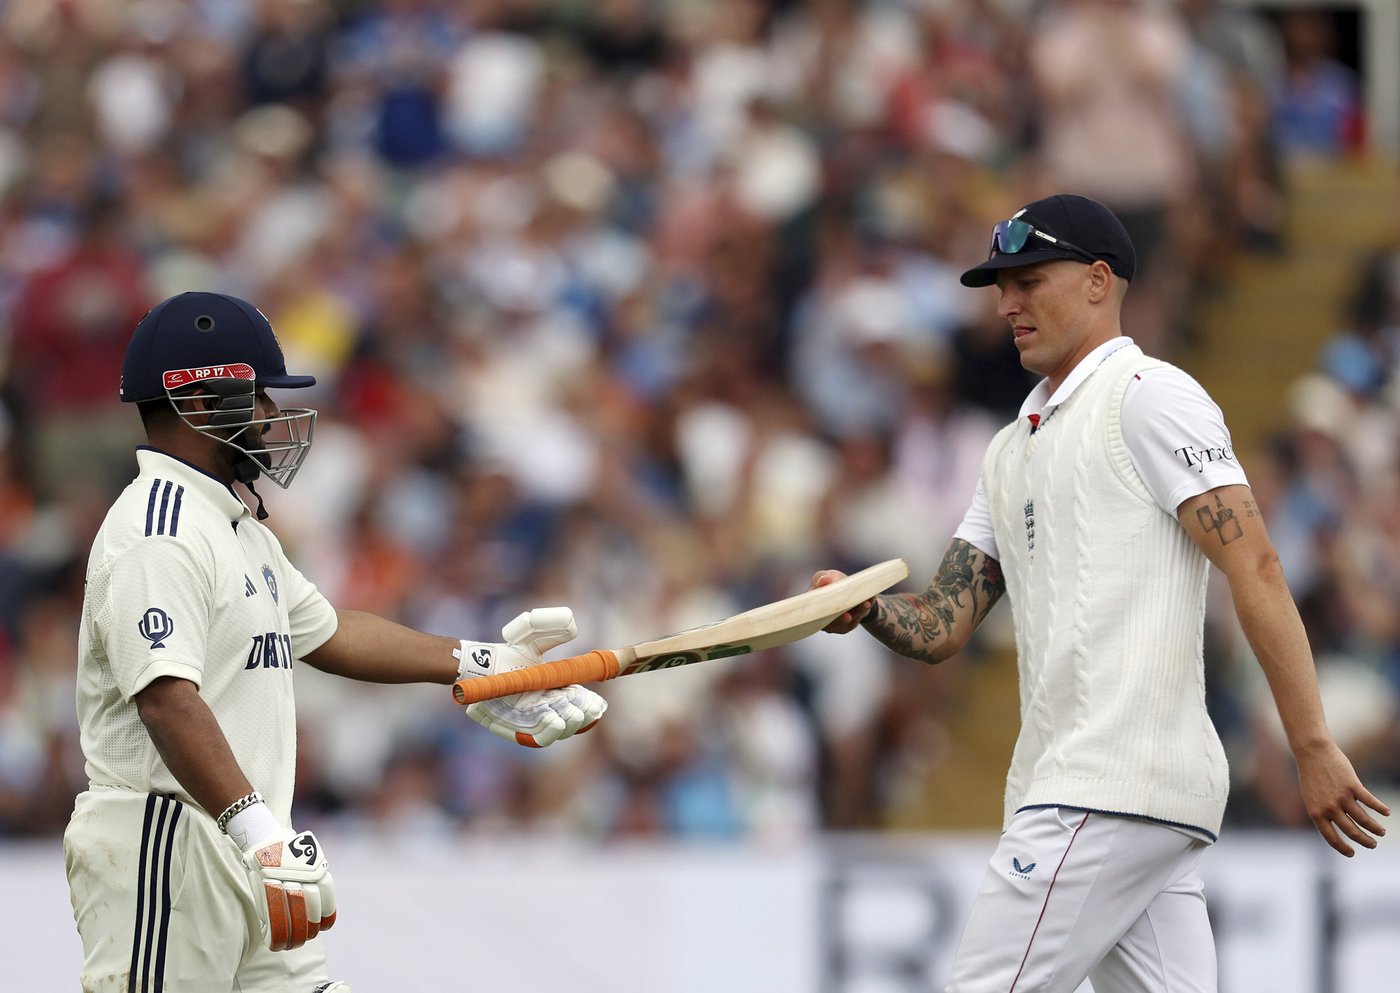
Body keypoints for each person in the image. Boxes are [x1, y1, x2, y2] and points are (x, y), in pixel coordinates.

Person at [813, 194, 1389, 992]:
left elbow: (1255, 565)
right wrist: (865, 608)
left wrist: (1312, 744)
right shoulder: (1011, 448)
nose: (1008, 302)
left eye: (1028, 279)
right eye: (999, 286)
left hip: (1102, 786)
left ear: (1097, 280)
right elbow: (943, 625)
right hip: (1121, 798)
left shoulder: (1150, 395)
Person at [63, 291, 608, 993]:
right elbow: (168, 700)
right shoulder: (158, 529)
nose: (269, 415)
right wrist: (258, 833)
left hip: (248, 841)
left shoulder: (238, 525)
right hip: (170, 842)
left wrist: (482, 662)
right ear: (198, 403)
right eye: (256, 395)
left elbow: (331, 632)